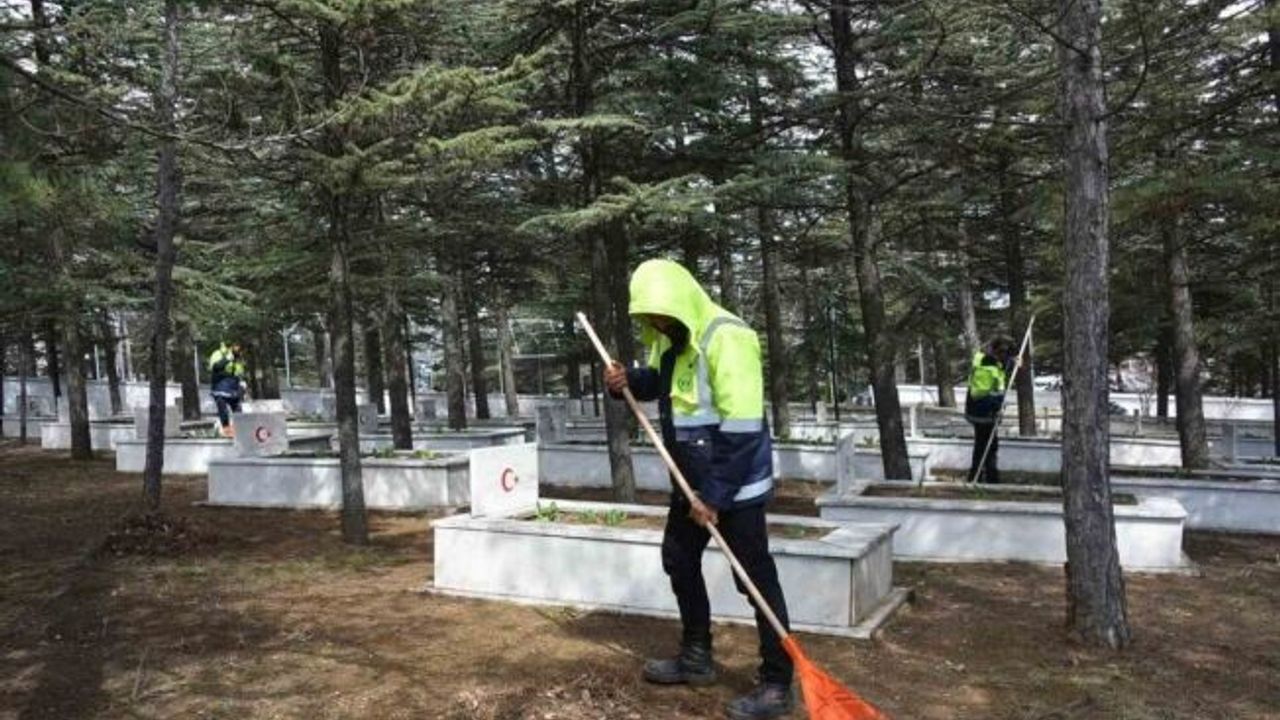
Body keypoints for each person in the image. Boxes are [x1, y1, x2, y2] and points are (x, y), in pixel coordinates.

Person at [604, 258, 793, 720]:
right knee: (679, 559)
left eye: (660, 316)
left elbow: (743, 428)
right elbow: (663, 385)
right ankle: (695, 656)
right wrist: (627, 381)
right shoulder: (671, 341)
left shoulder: (727, 337)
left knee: (755, 580)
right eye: (648, 318)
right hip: (690, 487)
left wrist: (714, 495)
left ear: (680, 304)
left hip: (734, 487)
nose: (655, 324)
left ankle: (776, 683)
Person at [964, 335, 1014, 484]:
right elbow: (978, 394)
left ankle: (982, 476)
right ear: (997, 351)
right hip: (981, 412)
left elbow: (1000, 372)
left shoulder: (990, 360)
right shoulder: (985, 368)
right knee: (985, 446)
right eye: (1004, 355)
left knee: (988, 445)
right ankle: (982, 478)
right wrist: (996, 403)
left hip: (986, 411)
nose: (1005, 358)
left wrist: (1012, 363)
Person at [208, 341, 246, 437]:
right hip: (220, 386)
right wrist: (228, 359)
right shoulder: (218, 354)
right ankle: (226, 430)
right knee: (222, 407)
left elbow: (239, 373)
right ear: (231, 346)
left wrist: (242, 385)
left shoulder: (239, 359)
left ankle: (240, 432)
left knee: (238, 410)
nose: (240, 350)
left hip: (233, 387)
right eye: (237, 346)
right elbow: (216, 367)